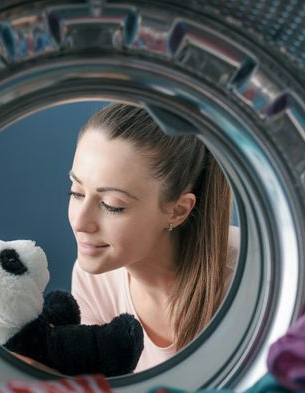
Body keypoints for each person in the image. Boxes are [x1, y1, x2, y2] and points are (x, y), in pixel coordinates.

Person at [69, 103, 239, 373]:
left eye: (112, 205)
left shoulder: (248, 280)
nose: (80, 222)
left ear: (178, 211)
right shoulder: (92, 278)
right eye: (76, 192)